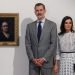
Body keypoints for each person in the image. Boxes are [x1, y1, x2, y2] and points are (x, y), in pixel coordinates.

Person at [25, 3, 57, 75]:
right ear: (34, 12)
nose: (39, 12)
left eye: (41, 10)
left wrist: (44, 58)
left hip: (47, 62)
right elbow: (27, 44)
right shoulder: (29, 26)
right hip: (33, 63)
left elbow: (53, 44)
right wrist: (32, 59)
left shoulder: (52, 25)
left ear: (44, 11)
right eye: (37, 10)